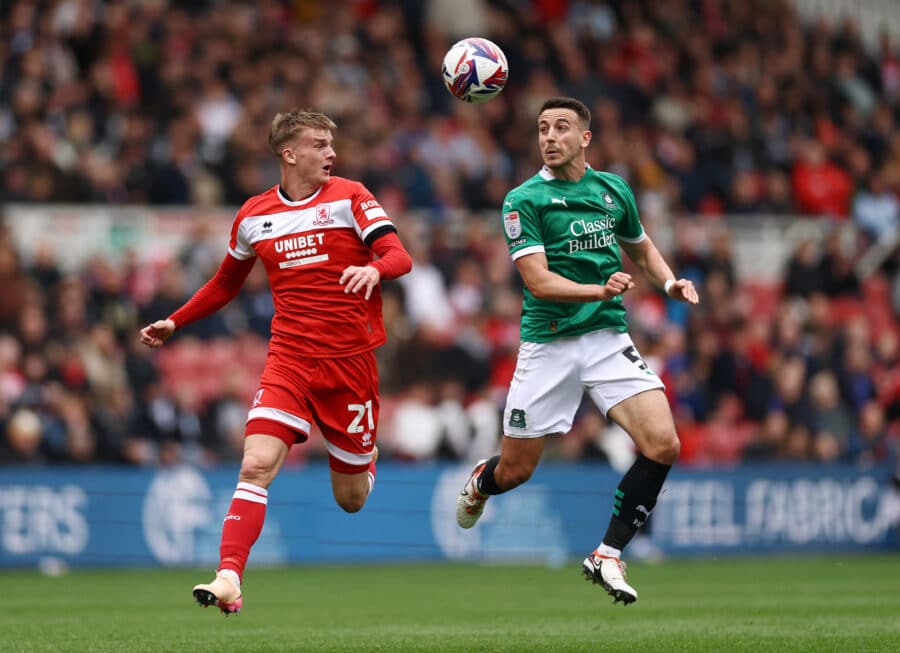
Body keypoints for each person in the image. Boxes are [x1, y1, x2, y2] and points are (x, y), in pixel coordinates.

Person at [140, 110, 412, 614]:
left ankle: (365, 455)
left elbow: (399, 255)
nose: (331, 153)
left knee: (351, 499)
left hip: (349, 365)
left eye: (331, 144)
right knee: (255, 464)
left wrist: (376, 270)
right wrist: (175, 321)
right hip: (289, 359)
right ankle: (229, 576)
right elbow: (225, 282)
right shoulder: (254, 215)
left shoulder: (351, 197)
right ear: (289, 153)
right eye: (319, 144)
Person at [455, 97, 698, 605]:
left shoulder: (613, 189)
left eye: (561, 127)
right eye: (543, 127)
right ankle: (482, 480)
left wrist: (669, 283)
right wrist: (598, 290)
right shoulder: (523, 199)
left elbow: (641, 246)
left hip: (607, 337)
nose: (549, 136)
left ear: (585, 138)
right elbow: (537, 281)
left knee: (663, 443)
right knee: (516, 471)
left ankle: (608, 554)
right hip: (549, 344)